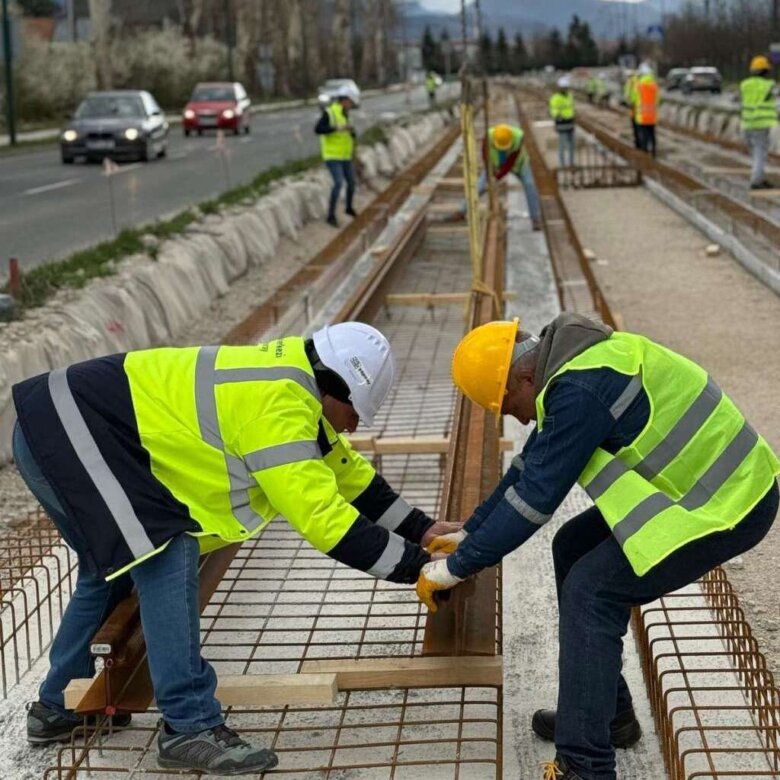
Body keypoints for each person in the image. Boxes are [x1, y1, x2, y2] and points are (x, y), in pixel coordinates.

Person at [13, 322, 458, 774]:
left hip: (55, 423)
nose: (354, 424)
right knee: (166, 549)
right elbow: (327, 522)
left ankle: (58, 706)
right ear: (336, 389)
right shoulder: (277, 408)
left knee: (113, 567)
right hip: (70, 429)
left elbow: (347, 474)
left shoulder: (291, 381)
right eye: (356, 411)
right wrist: (420, 568)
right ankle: (189, 727)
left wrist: (422, 530)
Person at [418, 313, 780, 780]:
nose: (519, 418)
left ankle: (584, 766)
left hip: (728, 501)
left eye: (510, 406)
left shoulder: (579, 390)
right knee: (572, 546)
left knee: (592, 591)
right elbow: (528, 468)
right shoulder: (576, 365)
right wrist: (471, 531)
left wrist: (455, 568)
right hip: (693, 488)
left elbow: (534, 500)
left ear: (523, 378)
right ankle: (609, 718)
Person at [316, 87, 358, 227]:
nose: (352, 105)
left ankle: (348, 207)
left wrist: (351, 132)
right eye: (351, 102)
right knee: (338, 183)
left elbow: (349, 134)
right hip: (332, 155)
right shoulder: (330, 112)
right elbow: (318, 129)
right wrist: (336, 128)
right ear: (345, 100)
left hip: (345, 155)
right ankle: (331, 215)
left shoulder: (346, 114)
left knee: (351, 182)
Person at [739, 54, 778, 191]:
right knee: (760, 153)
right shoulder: (769, 85)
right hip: (763, 124)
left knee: (755, 153)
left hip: (747, 124)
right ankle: (756, 181)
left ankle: (758, 178)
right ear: (765, 71)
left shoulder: (744, 84)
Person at [633, 63, 659, 157]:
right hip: (652, 115)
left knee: (643, 136)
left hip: (642, 115)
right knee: (652, 134)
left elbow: (634, 99)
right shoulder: (654, 86)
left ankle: (645, 152)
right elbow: (657, 100)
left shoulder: (639, 85)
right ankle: (654, 151)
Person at [550, 76, 576, 168]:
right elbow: (553, 110)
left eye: (566, 87)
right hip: (562, 123)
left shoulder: (570, 96)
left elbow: (571, 107)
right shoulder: (555, 98)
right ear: (560, 88)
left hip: (570, 123)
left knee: (572, 145)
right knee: (562, 145)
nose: (565, 89)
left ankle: (571, 163)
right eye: (563, 88)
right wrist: (558, 117)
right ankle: (562, 164)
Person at [623, 70, 641, 149]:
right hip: (640, 107)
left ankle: (637, 143)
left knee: (635, 126)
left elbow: (627, 95)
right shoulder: (639, 80)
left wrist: (628, 102)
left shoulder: (630, 82)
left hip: (633, 106)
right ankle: (642, 143)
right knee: (641, 126)